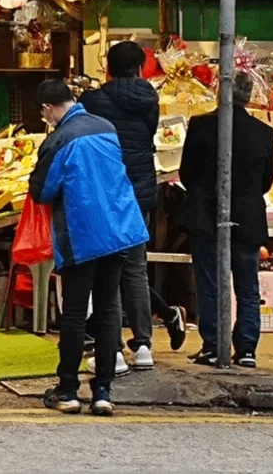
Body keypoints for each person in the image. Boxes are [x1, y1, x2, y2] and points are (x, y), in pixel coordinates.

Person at [29, 77, 148, 417]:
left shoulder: (58, 140)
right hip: (120, 228)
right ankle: (104, 392)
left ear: (48, 109)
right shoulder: (106, 127)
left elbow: (42, 191)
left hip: (82, 234)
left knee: (76, 312)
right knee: (110, 309)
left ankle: (68, 390)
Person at [79, 41, 187, 371]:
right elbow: (149, 136)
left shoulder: (93, 100)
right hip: (138, 192)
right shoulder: (149, 99)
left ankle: (110, 349)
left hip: (104, 192)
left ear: (108, 68)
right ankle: (143, 347)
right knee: (135, 269)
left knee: (105, 270)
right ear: (140, 68)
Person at [180, 73, 273, 369]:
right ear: (248, 97)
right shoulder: (264, 132)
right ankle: (246, 349)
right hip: (248, 216)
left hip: (205, 215)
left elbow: (187, 173)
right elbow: (267, 180)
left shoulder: (200, 125)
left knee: (210, 283)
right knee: (247, 286)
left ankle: (213, 345)